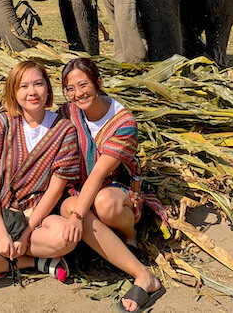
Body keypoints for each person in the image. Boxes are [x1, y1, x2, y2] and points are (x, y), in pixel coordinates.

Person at [0, 60, 79, 282]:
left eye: (38, 84)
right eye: (24, 86)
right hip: (0, 210)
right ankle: (35, 261)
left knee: (65, 239)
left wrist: (25, 232)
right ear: (13, 91)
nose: (32, 92)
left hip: (38, 213)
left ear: (48, 88)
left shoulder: (64, 129)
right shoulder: (0, 125)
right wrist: (1, 232)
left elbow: (55, 190)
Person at [58, 57, 168, 313]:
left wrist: (77, 216)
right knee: (72, 205)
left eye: (83, 85)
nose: (77, 94)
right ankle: (142, 274)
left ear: (98, 82)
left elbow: (98, 174)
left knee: (103, 205)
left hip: (116, 189)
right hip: (80, 188)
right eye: (70, 88)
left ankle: (129, 236)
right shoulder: (69, 112)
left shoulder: (123, 122)